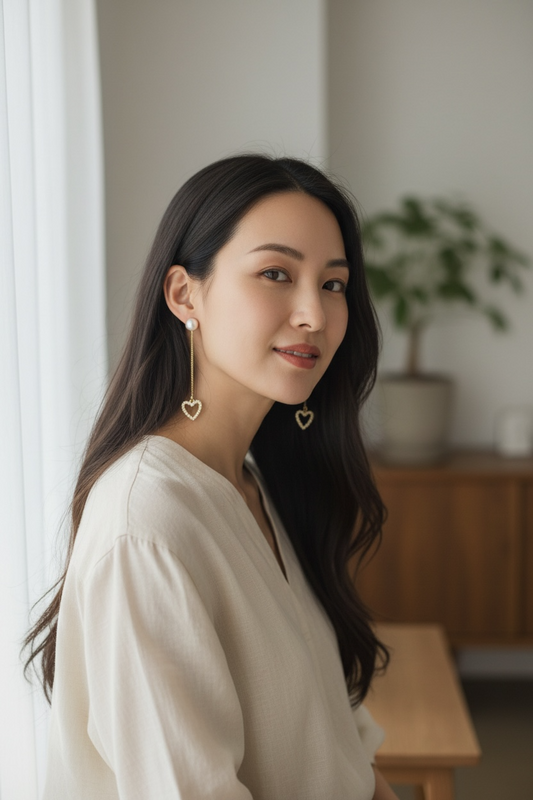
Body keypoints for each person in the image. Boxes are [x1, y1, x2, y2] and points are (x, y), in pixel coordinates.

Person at [23, 154, 399, 799]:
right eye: (275, 273)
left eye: (334, 284)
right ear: (183, 294)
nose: (314, 312)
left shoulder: (255, 484)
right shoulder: (147, 520)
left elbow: (345, 756)